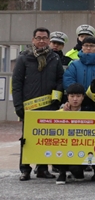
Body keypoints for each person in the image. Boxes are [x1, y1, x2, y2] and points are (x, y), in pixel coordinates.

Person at [13, 27, 64, 181]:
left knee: (45, 139)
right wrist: (18, 106)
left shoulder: (54, 58)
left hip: (49, 106)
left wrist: (56, 99)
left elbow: (60, 80)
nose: (41, 40)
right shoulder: (23, 58)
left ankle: (42, 168)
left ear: (49, 40)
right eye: (38, 37)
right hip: (29, 108)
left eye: (44, 38)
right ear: (33, 40)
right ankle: (25, 169)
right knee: (27, 140)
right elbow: (17, 83)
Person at [55, 83, 90, 185]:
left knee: (75, 169)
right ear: (67, 97)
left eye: (78, 96)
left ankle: (77, 171)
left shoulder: (89, 114)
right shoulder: (58, 113)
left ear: (83, 97)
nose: (75, 99)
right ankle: (61, 172)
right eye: (72, 96)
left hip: (80, 150)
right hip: (62, 148)